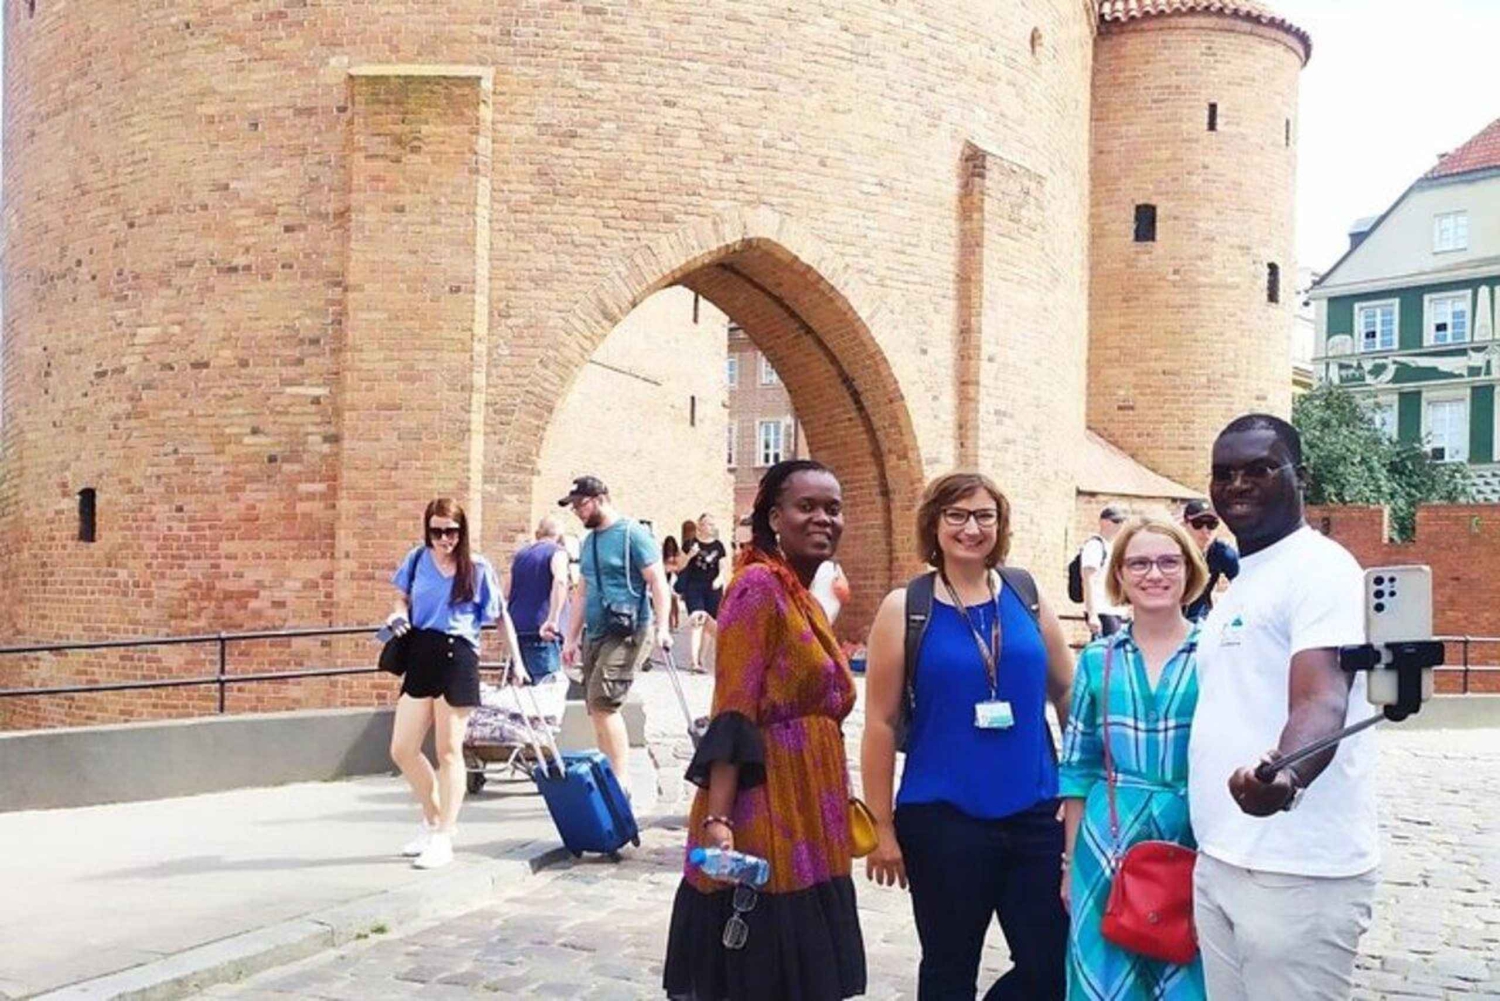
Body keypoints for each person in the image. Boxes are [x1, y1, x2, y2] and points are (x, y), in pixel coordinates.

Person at [862, 472, 1075, 1001]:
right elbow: (880, 723)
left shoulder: (1026, 595)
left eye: (984, 516)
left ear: (1000, 525)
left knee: (1051, 967)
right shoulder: (905, 607)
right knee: (949, 970)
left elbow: (1069, 692)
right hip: (942, 819)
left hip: (1036, 812)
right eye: (956, 515)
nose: (971, 528)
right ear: (934, 524)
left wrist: (1082, 787)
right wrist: (881, 827)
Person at [662, 460, 866, 1000]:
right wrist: (719, 819)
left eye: (833, 508)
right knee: (764, 966)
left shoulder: (800, 594)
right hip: (769, 798)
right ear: (775, 518)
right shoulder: (757, 586)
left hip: (812, 805)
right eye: (807, 507)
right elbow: (734, 708)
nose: (824, 519)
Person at [1189, 414, 1376, 1000]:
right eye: (1223, 473)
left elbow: (1323, 697)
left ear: (1302, 476)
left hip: (1296, 873)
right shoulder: (1247, 578)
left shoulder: (1320, 570)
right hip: (1224, 858)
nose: (1237, 484)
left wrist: (1287, 776)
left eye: (1260, 469)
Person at [1059, 515, 1209, 1000]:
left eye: (1168, 562)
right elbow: (1079, 766)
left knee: (1188, 980)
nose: (1154, 574)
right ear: (1120, 574)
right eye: (1139, 563)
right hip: (1107, 843)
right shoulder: (1097, 659)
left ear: (1189, 570)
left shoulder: (1216, 653)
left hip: (1192, 838)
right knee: (1104, 982)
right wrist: (1070, 864)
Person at [384, 498, 500, 870]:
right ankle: (433, 819)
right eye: (436, 532)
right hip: (421, 651)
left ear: (462, 532)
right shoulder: (417, 559)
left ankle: (444, 834)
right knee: (402, 748)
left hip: (457, 653)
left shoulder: (477, 567)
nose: (444, 539)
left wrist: (516, 660)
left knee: (448, 750)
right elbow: (401, 597)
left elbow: (498, 615)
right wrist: (398, 615)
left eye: (451, 531)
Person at [560, 476, 673, 797]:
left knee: (603, 703)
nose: (577, 512)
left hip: (629, 630)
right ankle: (611, 776)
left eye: (580, 505)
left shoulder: (632, 534)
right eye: (573, 507)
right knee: (595, 708)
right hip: (596, 631)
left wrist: (663, 627)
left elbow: (658, 582)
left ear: (600, 499)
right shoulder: (590, 541)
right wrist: (571, 638)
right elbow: (582, 593)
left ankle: (621, 782)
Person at [503, 516, 571, 720]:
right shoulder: (557, 552)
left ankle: (521, 735)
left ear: (537, 534)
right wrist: (553, 618)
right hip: (542, 631)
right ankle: (542, 736)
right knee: (545, 694)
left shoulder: (521, 555)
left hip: (516, 629)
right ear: (560, 536)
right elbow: (560, 581)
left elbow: (506, 591)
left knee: (521, 693)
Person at [678, 513, 728, 672]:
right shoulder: (690, 544)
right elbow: (680, 565)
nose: (712, 527)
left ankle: (702, 659)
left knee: (709, 623)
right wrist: (690, 555)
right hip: (694, 587)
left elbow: (723, 566)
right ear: (700, 525)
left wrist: (720, 578)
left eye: (713, 524)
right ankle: (694, 662)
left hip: (713, 588)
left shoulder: (718, 546)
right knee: (697, 620)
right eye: (708, 524)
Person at [1180, 499, 1239, 622]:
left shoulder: (1222, 553)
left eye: (1212, 524)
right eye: (1198, 524)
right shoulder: (1171, 550)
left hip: (1199, 619)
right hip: (1166, 617)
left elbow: (1245, 583)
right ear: (1185, 524)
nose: (1205, 530)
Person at [1080, 506, 1130, 638]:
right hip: (1102, 610)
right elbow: (1088, 580)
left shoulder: (1113, 546)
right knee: (1107, 648)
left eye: (1122, 522)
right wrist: (1092, 614)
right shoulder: (1095, 545)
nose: (1120, 526)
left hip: (1115, 611)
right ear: (1104, 522)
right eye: (1116, 521)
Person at [809, 559, 850, 625]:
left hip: (818, 610)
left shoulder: (830, 567)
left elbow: (844, 593)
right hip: (820, 612)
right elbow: (844, 594)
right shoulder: (831, 567)